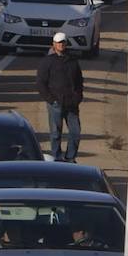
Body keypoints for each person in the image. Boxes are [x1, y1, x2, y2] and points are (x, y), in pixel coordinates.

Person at [36, 32, 84, 162]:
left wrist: (77, 97)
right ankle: (57, 158)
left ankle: (70, 158)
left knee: (75, 132)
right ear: (54, 44)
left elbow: (79, 81)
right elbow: (41, 83)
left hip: (71, 104)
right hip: (55, 103)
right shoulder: (47, 62)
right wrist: (51, 100)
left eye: (62, 42)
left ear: (66, 43)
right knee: (56, 133)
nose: (61, 45)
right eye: (58, 42)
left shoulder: (72, 62)